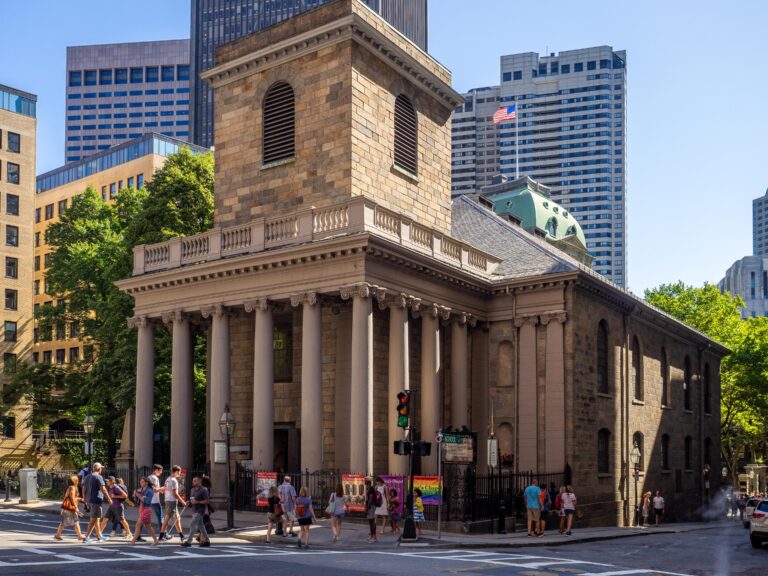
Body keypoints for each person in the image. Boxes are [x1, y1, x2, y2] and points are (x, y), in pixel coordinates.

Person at [83, 463, 113, 542]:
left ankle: (99, 535)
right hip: (96, 500)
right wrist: (109, 499)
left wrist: (84, 498)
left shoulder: (88, 476)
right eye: (101, 468)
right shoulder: (98, 477)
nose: (102, 469)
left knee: (97, 518)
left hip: (90, 500)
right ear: (99, 469)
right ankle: (87, 537)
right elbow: (103, 489)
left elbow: (84, 488)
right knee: (93, 519)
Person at [159, 465, 187, 543]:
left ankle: (182, 536)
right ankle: (161, 536)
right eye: (179, 472)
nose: (180, 474)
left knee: (177, 519)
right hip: (172, 501)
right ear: (176, 472)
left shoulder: (168, 479)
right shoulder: (174, 480)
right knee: (167, 519)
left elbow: (165, 490)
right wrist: (183, 502)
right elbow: (175, 493)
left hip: (168, 500)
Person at [182, 476, 211, 548]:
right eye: (193, 481)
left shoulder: (204, 490)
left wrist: (198, 502)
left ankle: (189, 541)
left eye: (195, 481)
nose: (193, 482)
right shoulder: (192, 490)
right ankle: (207, 541)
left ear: (199, 481)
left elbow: (207, 501)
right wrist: (188, 503)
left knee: (192, 524)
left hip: (200, 511)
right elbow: (192, 500)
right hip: (194, 510)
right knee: (201, 526)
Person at [54, 475, 84, 542]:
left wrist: (79, 499)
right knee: (76, 521)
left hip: (67, 508)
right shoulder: (72, 487)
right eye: (77, 480)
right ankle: (79, 536)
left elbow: (69, 497)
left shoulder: (69, 487)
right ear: (75, 481)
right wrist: (76, 507)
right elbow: (72, 498)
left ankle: (57, 535)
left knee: (64, 522)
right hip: (70, 508)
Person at [131, 477, 159, 545]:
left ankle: (133, 541)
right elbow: (137, 499)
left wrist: (138, 495)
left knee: (138, 525)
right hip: (142, 509)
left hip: (146, 509)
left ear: (146, 483)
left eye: (142, 482)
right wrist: (135, 495)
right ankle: (155, 540)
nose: (141, 483)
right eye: (140, 482)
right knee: (148, 526)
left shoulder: (149, 491)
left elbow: (147, 501)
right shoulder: (142, 489)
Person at [147, 464, 164, 532]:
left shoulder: (149, 477)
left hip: (149, 500)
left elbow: (152, 488)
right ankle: (164, 534)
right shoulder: (155, 478)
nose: (161, 472)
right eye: (160, 471)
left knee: (144, 517)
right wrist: (163, 488)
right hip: (155, 500)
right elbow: (155, 490)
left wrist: (160, 490)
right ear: (156, 470)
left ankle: (138, 535)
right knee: (160, 516)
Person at [365, 477, 378, 543]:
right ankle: (372, 535)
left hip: (372, 507)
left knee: (372, 521)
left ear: (369, 484)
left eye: (366, 484)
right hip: (371, 506)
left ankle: (374, 536)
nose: (366, 485)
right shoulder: (369, 489)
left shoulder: (371, 489)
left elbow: (370, 498)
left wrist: (368, 507)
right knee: (370, 522)